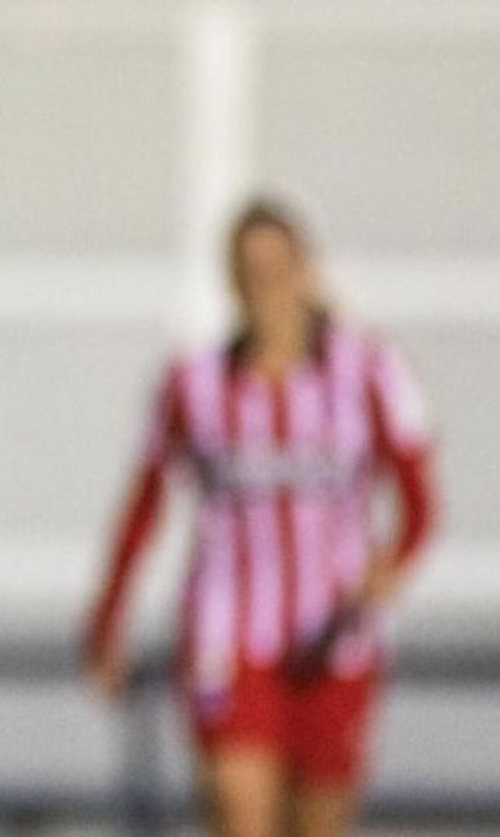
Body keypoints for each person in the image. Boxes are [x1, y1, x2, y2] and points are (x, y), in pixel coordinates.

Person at [82, 198, 437, 837]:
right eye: (250, 270)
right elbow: (143, 507)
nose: (265, 285)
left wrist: (392, 566)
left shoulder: (368, 371)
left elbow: (419, 500)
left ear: (307, 270)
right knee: (242, 819)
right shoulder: (194, 382)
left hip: (337, 641)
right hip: (229, 638)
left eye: (278, 267)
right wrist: (107, 621)